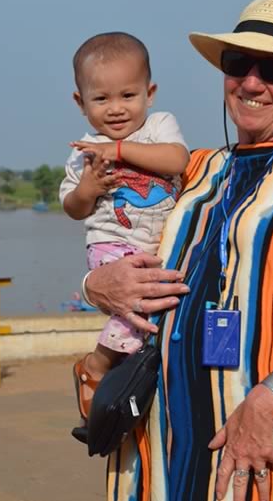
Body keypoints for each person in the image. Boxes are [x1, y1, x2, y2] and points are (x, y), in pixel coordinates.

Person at [80, 0, 273, 501]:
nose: (253, 82)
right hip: (156, 433)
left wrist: (267, 401)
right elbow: (115, 235)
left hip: (256, 432)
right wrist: (95, 285)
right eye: (240, 64)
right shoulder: (195, 167)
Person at [57, 32, 190, 433]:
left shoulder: (159, 126)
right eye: (101, 99)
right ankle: (97, 365)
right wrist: (88, 188)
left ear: (149, 93)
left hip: (154, 247)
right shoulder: (84, 150)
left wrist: (119, 152)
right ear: (81, 103)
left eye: (128, 96)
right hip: (110, 245)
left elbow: (176, 158)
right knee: (141, 311)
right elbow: (72, 208)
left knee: (150, 312)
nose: (116, 109)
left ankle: (115, 385)